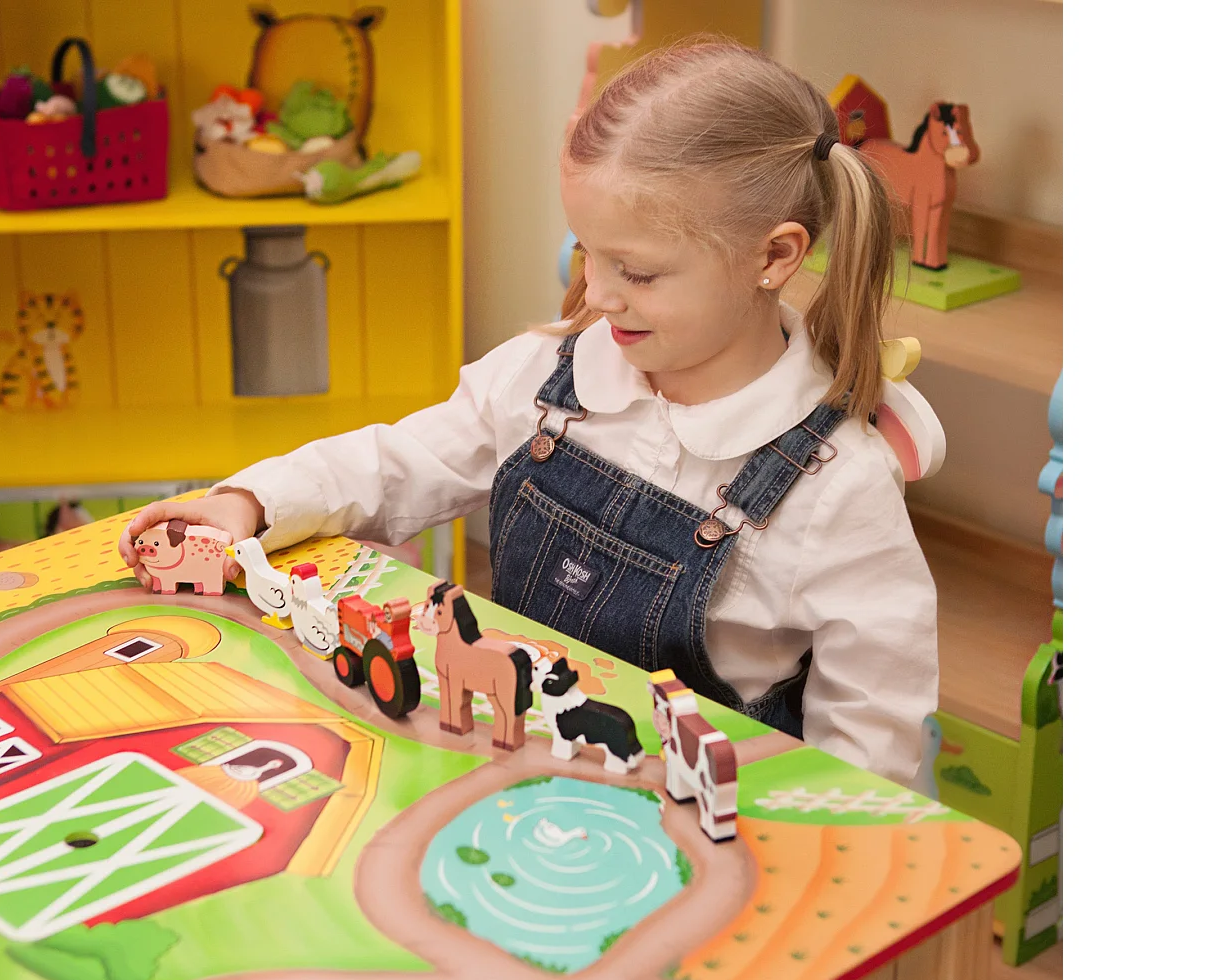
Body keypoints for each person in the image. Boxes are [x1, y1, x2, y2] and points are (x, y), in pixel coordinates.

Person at [118, 37, 937, 784]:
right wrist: (251, 501)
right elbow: (398, 462)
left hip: (705, 826)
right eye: (587, 253)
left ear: (775, 256)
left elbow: (873, 739)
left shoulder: (838, 486)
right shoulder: (549, 374)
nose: (599, 295)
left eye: (638, 272)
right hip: (515, 774)